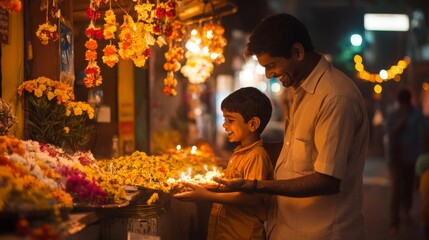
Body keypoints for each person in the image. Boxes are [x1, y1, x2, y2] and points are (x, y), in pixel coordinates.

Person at [214, 13, 370, 240]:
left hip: (321, 232)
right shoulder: (300, 90)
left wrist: (257, 185)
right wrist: (245, 155)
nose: (268, 75)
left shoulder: (335, 96)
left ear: (297, 52)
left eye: (272, 65)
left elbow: (328, 179)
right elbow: (293, 150)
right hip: (287, 228)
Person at [174, 87, 274, 240]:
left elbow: (253, 198)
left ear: (253, 124)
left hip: (242, 234)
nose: (224, 125)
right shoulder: (240, 152)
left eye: (230, 120)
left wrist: (208, 196)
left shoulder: (257, 156)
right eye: (225, 119)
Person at [384, 88, 425, 235]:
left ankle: (406, 211)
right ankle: (394, 223)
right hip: (395, 158)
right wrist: (398, 127)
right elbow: (388, 132)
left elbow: (425, 128)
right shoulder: (393, 114)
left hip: (411, 157)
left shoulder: (416, 114)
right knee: (396, 189)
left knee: (409, 186)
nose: (404, 107)